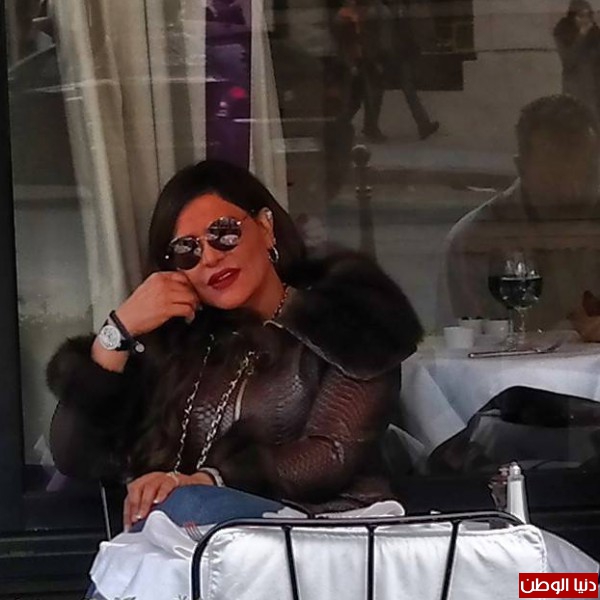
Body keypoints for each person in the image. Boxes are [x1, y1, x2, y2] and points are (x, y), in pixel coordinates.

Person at [47, 160, 423, 534]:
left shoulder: (350, 319)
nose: (210, 257)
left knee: (180, 508)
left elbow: (331, 454)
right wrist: (118, 332)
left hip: (326, 535)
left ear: (265, 227)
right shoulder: (178, 342)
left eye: (224, 233)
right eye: (187, 249)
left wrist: (209, 480)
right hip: (203, 542)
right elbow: (74, 458)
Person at [439, 94, 600, 331]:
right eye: (557, 175)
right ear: (521, 167)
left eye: (587, 175)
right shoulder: (475, 240)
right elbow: (469, 340)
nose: (573, 189)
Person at [334, 0, 392, 142]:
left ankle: (342, 126)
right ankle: (364, 127)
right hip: (359, 59)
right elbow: (352, 41)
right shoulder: (349, 15)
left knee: (360, 96)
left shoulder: (354, 14)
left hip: (361, 59)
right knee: (368, 95)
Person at [554, 0, 600, 121]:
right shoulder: (563, 33)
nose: (585, 20)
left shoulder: (595, 33)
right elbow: (569, 61)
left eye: (588, 16)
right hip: (576, 89)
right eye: (581, 16)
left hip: (594, 89)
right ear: (572, 17)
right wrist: (581, 36)